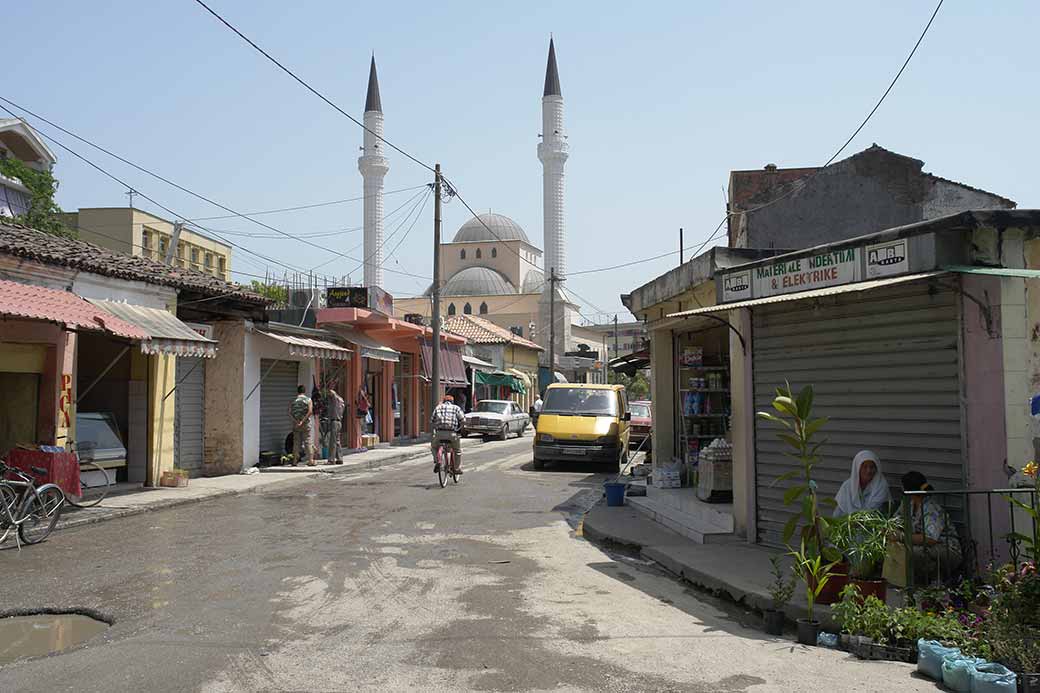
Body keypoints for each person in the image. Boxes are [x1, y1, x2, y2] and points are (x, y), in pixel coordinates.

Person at [887, 471, 962, 584]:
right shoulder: (908, 504)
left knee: (913, 552)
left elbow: (930, 539)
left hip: (946, 550)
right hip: (926, 547)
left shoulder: (931, 508)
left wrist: (902, 536)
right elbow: (895, 521)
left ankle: (936, 579)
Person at [834, 450, 892, 517]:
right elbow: (838, 512)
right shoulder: (847, 486)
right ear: (857, 468)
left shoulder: (881, 486)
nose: (868, 471)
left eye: (872, 467)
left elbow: (875, 512)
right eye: (864, 467)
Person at [430, 393, 465, 475]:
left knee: (434, 447)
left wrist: (435, 429)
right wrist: (459, 429)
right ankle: (456, 468)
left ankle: (437, 461)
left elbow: (431, 421)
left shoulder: (438, 407)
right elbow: (463, 420)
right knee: (457, 451)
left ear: (444, 401)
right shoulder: (456, 408)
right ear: (452, 401)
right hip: (452, 433)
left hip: (439, 433)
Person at [289, 385, 314, 466]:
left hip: (296, 424)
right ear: (304, 391)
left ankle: (295, 461)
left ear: (298, 391)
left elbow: (289, 412)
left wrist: (296, 421)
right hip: (306, 423)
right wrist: (303, 421)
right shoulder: (308, 400)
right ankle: (310, 460)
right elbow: (310, 411)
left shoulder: (294, 401)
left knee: (296, 442)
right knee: (308, 441)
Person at [326, 388, 345, 464]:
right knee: (337, 441)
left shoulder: (335, 399)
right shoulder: (341, 400)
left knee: (332, 441)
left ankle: (331, 460)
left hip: (334, 421)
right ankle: (339, 458)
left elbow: (332, 393)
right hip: (339, 422)